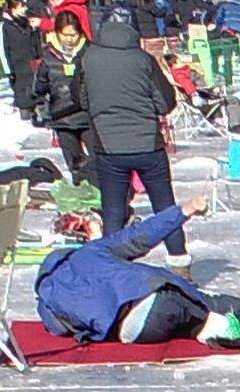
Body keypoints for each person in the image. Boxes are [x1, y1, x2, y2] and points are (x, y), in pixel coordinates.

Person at [75, 5, 182, 229]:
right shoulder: (143, 59)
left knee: (113, 211)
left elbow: (81, 99)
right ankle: (178, 257)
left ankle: (111, 259)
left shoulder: (87, 58)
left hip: (108, 145)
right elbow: (165, 103)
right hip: (147, 144)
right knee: (165, 208)